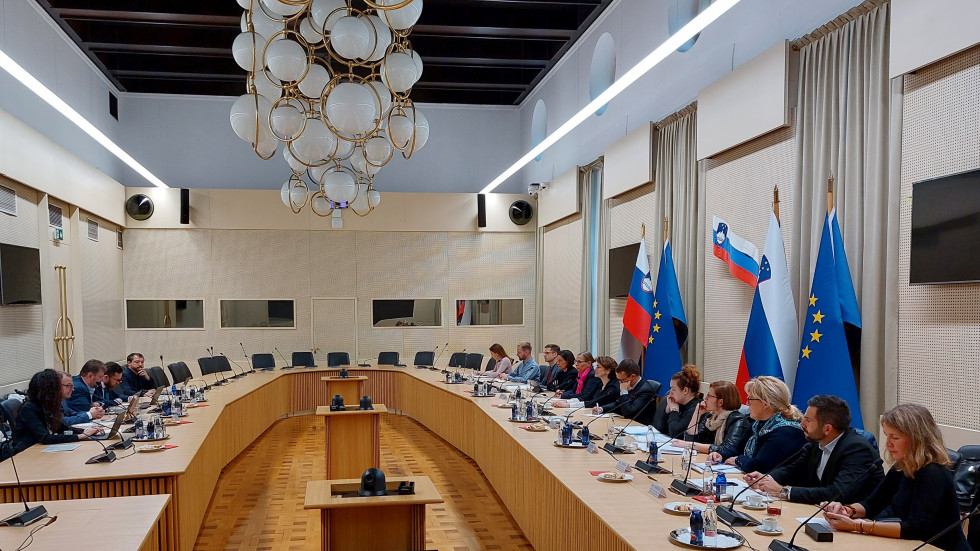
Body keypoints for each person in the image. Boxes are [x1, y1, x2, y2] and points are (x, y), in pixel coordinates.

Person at [823, 404, 969, 551]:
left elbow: (915, 529)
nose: (888, 444)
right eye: (887, 436)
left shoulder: (933, 472)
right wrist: (847, 511)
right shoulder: (902, 465)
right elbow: (872, 504)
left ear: (917, 439)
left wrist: (857, 526)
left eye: (895, 437)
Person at [745, 394, 883, 504]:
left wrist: (784, 491)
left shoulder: (856, 450)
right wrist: (765, 479)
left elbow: (838, 493)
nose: (801, 424)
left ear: (827, 428)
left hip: (857, 520)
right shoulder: (815, 443)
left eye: (808, 420)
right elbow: (791, 470)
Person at [707, 376, 805, 472]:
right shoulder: (758, 424)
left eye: (750, 399)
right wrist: (722, 455)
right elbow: (738, 448)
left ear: (765, 403)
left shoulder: (786, 431)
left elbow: (760, 465)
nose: (747, 403)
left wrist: (738, 460)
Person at [12, 370, 103, 454]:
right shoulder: (29, 409)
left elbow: (61, 428)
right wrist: (80, 436)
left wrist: (84, 431)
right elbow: (45, 438)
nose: (73, 389)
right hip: (28, 453)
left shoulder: (48, 404)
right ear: (49, 390)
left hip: (42, 451)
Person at [673, 380, 749, 455]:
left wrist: (690, 445)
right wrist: (697, 413)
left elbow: (726, 449)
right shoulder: (711, 417)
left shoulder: (737, 420)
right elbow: (692, 439)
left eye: (709, 395)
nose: (705, 399)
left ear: (720, 402)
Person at [594, 358, 657, 425]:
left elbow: (629, 413)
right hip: (627, 424)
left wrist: (624, 392)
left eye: (622, 380)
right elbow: (617, 404)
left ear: (633, 376)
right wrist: (601, 409)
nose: (620, 383)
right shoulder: (628, 385)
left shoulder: (646, 390)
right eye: (618, 380)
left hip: (641, 427)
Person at [652, 364, 702, 437]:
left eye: (673, 389)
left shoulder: (695, 408)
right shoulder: (677, 402)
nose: (670, 392)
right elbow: (659, 428)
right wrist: (667, 411)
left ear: (685, 390)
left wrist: (674, 410)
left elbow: (675, 433)